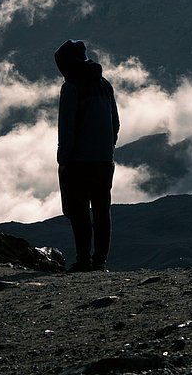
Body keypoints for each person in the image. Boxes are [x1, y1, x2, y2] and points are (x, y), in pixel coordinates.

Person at [55, 40, 120, 272]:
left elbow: (67, 127)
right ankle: (100, 262)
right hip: (104, 160)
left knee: (79, 211)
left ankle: (83, 260)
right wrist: (107, 148)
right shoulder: (105, 85)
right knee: (102, 210)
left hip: (79, 161)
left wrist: (63, 160)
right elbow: (116, 123)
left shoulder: (71, 87)